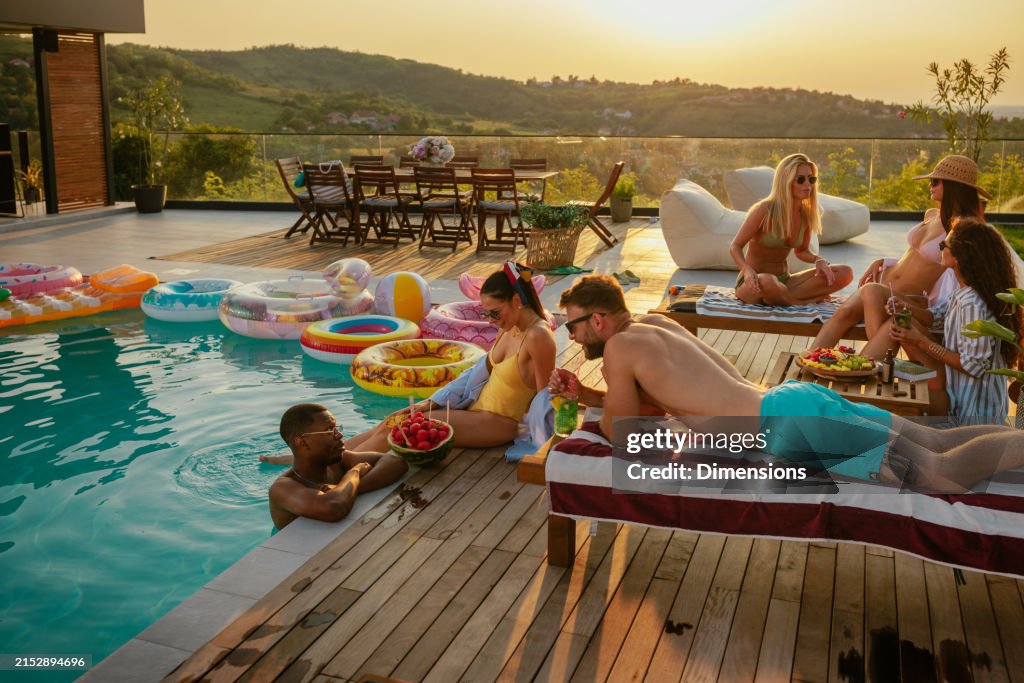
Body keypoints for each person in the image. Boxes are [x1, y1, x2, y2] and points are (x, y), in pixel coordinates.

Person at [549, 274, 1024, 494]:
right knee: (937, 441)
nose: (572, 336)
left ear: (599, 320)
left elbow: (626, 434)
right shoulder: (658, 324)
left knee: (941, 477)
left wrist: (597, 411)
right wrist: (588, 395)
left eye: (574, 326)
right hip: (794, 400)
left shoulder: (617, 350)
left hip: (791, 429)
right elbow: (693, 388)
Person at [342, 262, 557, 452]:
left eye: (495, 313)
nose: (491, 320)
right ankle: (336, 457)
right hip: (476, 410)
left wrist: (543, 448)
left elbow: (546, 397)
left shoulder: (538, 336)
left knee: (403, 426)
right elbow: (478, 372)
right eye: (486, 314)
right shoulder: (509, 327)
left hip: (499, 422)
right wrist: (432, 401)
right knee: (392, 420)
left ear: (517, 300)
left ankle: (341, 469)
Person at [812, 154, 987, 349]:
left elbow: (959, 274)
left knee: (870, 294)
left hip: (908, 298)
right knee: (843, 314)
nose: (930, 185)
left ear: (955, 187)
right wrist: (883, 261)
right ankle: (803, 367)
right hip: (883, 285)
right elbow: (912, 258)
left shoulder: (963, 228)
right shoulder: (931, 214)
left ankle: (876, 362)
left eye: (935, 181)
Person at [861, 219, 1020, 423]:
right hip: (952, 385)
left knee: (898, 325)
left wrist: (921, 342)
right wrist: (905, 307)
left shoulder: (973, 304)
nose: (940, 249)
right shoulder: (964, 292)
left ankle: (858, 375)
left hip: (969, 410)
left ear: (960, 256)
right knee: (900, 320)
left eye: (943, 246)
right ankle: (861, 374)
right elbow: (936, 317)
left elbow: (973, 366)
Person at [729, 153, 853, 306]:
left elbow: (801, 251)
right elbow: (735, 246)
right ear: (785, 181)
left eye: (811, 179)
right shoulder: (764, 210)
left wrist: (818, 260)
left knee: (845, 273)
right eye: (800, 179)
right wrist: (747, 270)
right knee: (768, 281)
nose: (807, 184)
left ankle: (781, 298)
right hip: (754, 283)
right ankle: (800, 302)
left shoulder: (806, 214)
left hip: (784, 282)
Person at [267, 403, 408, 529]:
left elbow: (395, 463)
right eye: (329, 429)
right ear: (302, 441)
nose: (339, 435)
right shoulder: (282, 488)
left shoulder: (336, 463)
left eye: (336, 428)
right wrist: (354, 473)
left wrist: (346, 489)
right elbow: (333, 507)